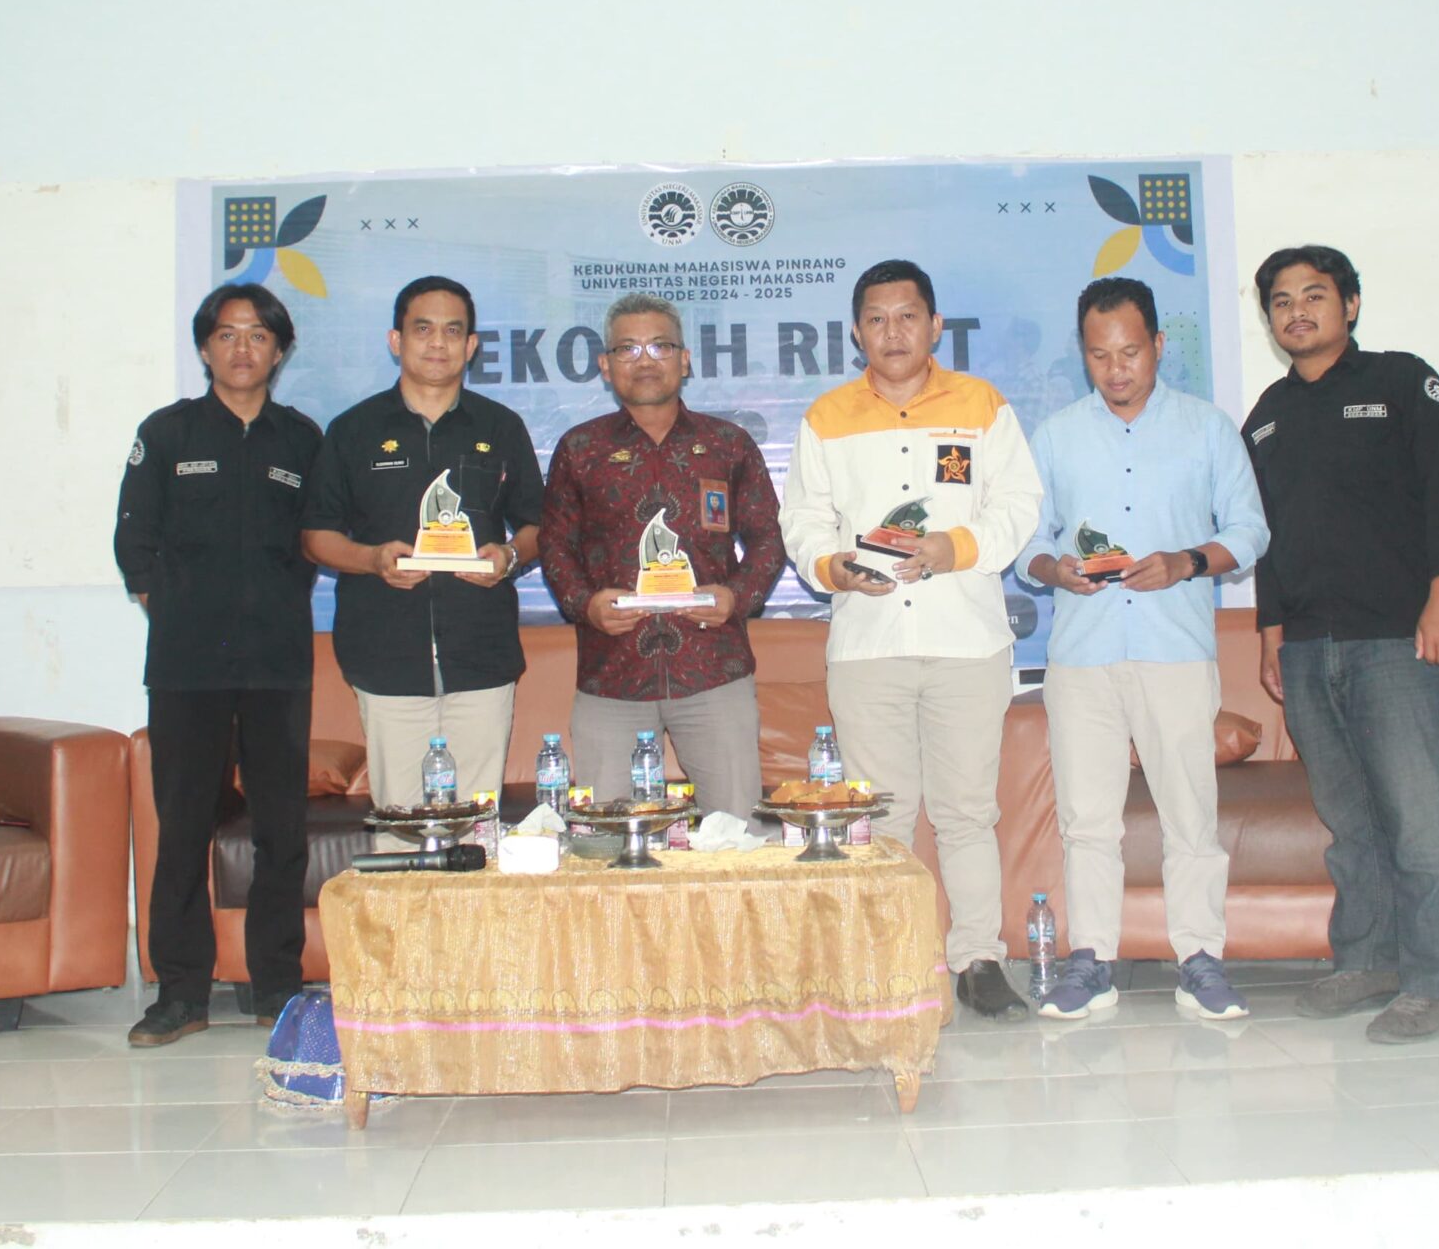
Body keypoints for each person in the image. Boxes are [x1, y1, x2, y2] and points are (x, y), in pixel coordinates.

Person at [779, 259, 1044, 1020]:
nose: (893, 332)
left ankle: (978, 959)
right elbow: (804, 520)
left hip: (967, 642)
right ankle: (889, 962)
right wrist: (833, 566)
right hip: (869, 646)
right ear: (856, 332)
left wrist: (952, 548)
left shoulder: (982, 405)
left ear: (934, 325)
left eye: (907, 317)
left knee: (966, 813)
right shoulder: (827, 416)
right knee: (882, 814)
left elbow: (1018, 503)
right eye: (877, 319)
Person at [1244, 245, 1439, 1044]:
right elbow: (1265, 539)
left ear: (1350, 303)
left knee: (1419, 821)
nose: (1298, 312)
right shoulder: (1266, 417)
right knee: (1350, 823)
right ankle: (1368, 959)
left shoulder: (1402, 382)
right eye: (1282, 301)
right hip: (1308, 650)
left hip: (1396, 640)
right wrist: (1272, 636)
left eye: (1314, 295)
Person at [1020, 277, 1269, 1021]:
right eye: (1100, 355)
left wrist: (1186, 562)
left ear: (1159, 344)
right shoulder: (1056, 435)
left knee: (1191, 814)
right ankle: (1091, 960)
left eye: (1130, 351)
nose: (1116, 369)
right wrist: (1055, 570)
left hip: (1174, 647)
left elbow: (1250, 531)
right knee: (1086, 819)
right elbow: (1027, 545)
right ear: (1083, 354)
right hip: (1083, 653)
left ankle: (1200, 958)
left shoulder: (1207, 428)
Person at [113, 283, 327, 1046]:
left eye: (259, 334)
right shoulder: (167, 433)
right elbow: (134, 543)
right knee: (182, 830)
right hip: (187, 667)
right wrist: (179, 612)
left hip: (277, 665)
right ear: (205, 348)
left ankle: (276, 985)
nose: (243, 348)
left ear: (280, 350)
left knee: (281, 830)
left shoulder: (301, 439)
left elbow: (315, 542)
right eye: (228, 334)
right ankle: (180, 992)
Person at [304, 277, 542, 819]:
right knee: (402, 825)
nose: (438, 343)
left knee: (477, 828)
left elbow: (540, 525)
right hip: (386, 656)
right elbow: (316, 536)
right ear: (396, 340)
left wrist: (508, 557)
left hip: (481, 655)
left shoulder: (501, 427)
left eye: (453, 331)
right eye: (423, 329)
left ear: (471, 346)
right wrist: (371, 560)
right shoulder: (353, 430)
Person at [540, 293, 785, 820]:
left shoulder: (728, 444)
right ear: (605, 365)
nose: (645, 360)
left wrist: (735, 597)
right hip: (612, 673)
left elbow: (768, 539)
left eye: (660, 346)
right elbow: (555, 546)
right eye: (627, 348)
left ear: (685, 359)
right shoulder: (580, 449)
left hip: (712, 668)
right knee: (609, 836)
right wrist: (585, 605)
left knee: (735, 834)